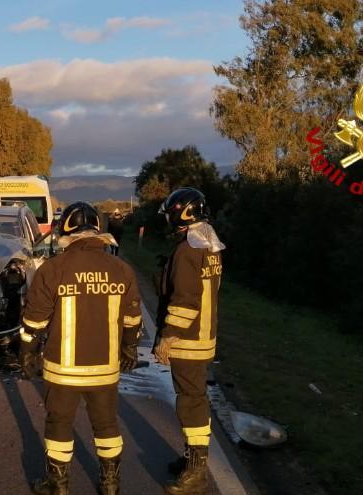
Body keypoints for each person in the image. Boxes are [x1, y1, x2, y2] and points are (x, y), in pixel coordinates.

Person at [19, 202, 143, 495]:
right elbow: (132, 319)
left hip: (63, 369)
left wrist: (26, 353)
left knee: (59, 423)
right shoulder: (122, 270)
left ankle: (58, 484)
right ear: (99, 231)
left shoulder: (53, 269)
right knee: (106, 424)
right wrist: (129, 349)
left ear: (67, 231)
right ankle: (111, 484)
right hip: (105, 368)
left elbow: (34, 321)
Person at [153, 187, 224, 494]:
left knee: (191, 404)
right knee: (194, 399)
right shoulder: (209, 243)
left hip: (188, 341)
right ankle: (191, 459)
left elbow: (185, 301)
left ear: (182, 214)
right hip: (204, 335)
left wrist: (168, 337)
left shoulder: (187, 250)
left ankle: (196, 472)